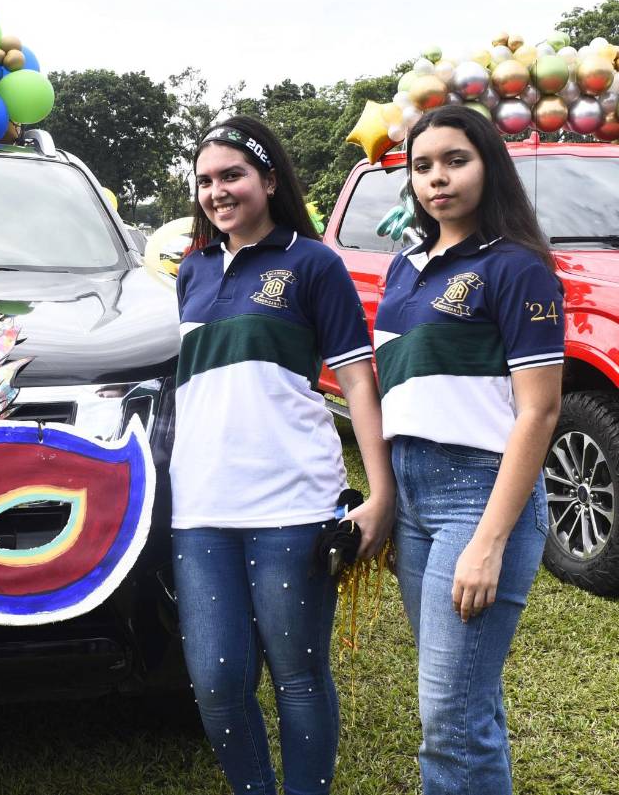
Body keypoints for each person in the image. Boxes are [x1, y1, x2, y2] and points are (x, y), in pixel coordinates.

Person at [170, 116, 395, 795]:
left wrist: (379, 493)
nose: (217, 190)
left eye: (232, 174)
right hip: (201, 505)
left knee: (297, 672)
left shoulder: (311, 262)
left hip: (294, 501)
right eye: (206, 180)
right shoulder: (191, 270)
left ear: (269, 180)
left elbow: (358, 378)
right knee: (215, 680)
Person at [376, 104, 562, 795]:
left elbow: (539, 412)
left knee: (448, 717)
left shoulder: (517, 268)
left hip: (478, 495)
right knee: (463, 701)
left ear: (490, 163)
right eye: (422, 166)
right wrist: (390, 498)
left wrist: (488, 539)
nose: (437, 178)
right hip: (413, 491)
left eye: (456, 160)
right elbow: (401, 395)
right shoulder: (405, 266)